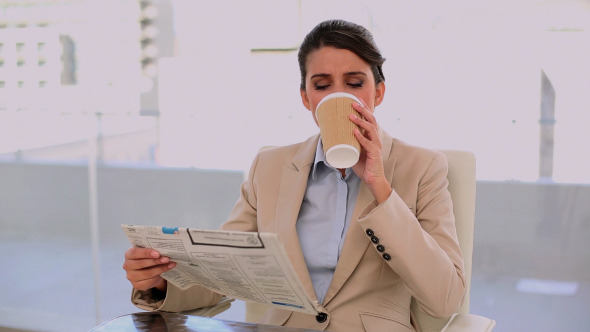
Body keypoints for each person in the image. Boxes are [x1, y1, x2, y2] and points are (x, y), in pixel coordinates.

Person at [123, 19, 465, 332]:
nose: (337, 95)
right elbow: (224, 277)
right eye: (321, 85)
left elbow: (446, 299)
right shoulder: (270, 167)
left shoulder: (422, 167)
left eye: (355, 82)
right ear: (306, 98)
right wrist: (158, 283)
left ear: (378, 92)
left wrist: (381, 188)